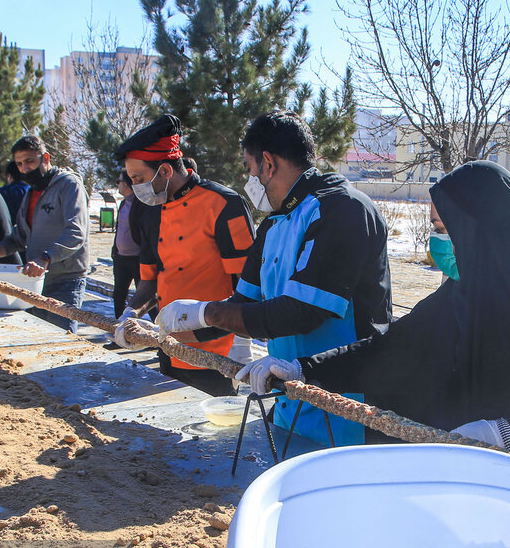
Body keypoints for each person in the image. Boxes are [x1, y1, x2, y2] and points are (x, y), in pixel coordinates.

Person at [238, 161, 510, 492]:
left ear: (484, 229)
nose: (439, 245)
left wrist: (509, 433)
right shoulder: (466, 291)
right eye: (434, 230)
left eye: (444, 230)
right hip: (486, 481)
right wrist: (306, 369)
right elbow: (394, 346)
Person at [156, 111, 391, 445]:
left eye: (250, 170)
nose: (250, 181)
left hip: (349, 405)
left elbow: (302, 312)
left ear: (268, 164)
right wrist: (166, 332)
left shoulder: (342, 209)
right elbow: (242, 305)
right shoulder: (272, 225)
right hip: (290, 396)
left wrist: (204, 311)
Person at [110, 114, 255, 396]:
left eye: (139, 178)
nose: (135, 186)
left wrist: (233, 335)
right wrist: (131, 313)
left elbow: (248, 287)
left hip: (219, 350)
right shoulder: (152, 210)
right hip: (168, 346)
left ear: (164, 171)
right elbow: (150, 279)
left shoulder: (225, 205)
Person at [0, 135, 90, 331]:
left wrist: (46, 258)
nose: (25, 169)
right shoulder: (31, 193)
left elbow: (76, 231)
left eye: (30, 161)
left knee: (60, 340)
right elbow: (19, 238)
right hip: (33, 281)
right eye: (19, 164)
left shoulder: (69, 185)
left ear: (45, 158)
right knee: (36, 336)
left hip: (64, 280)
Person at [110, 170, 143, 318]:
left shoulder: (141, 203)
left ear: (127, 184)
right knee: (119, 296)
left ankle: (159, 336)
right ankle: (119, 334)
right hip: (121, 258)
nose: (118, 185)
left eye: (119, 182)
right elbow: (120, 229)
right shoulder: (123, 203)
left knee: (145, 298)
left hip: (138, 259)